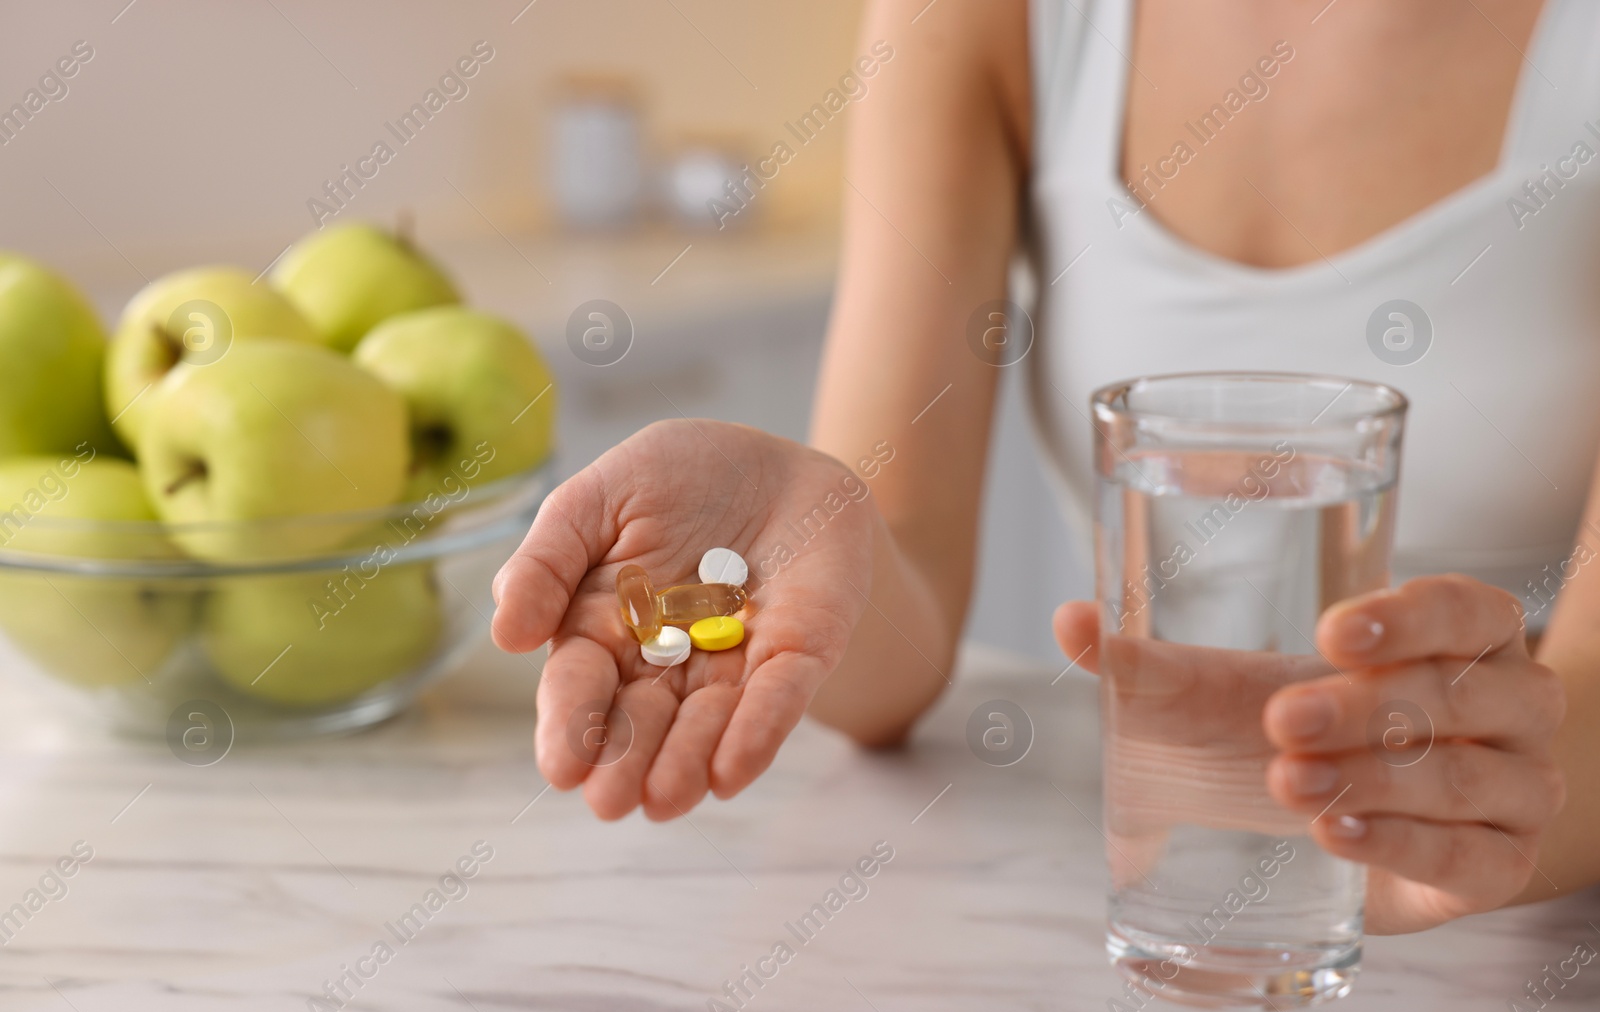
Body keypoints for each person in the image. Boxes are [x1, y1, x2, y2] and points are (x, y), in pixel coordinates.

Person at [492, 0, 1597, 935]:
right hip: (1157, 896)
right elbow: (899, 622)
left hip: (1533, 927)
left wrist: (1477, 806)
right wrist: (830, 533)